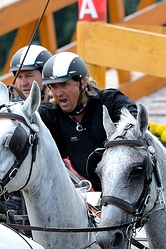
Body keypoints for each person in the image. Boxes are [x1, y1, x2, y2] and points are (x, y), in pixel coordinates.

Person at [38, 51, 137, 191]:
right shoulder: (48, 114)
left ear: (82, 82)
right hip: (81, 196)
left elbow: (134, 119)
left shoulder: (111, 101)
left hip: (123, 190)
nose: (58, 93)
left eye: (64, 84)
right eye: (53, 86)